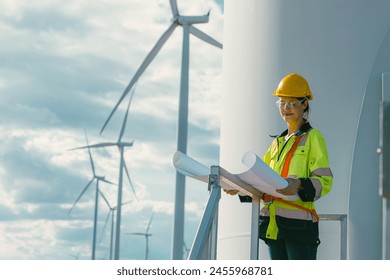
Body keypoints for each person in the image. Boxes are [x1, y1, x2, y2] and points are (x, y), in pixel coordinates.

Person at [224, 73, 333, 260]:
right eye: (282, 104)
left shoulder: (313, 137)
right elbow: (261, 179)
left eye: (291, 104)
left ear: (304, 104)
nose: (286, 109)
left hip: (299, 228)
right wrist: (240, 188)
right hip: (273, 227)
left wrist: (298, 183)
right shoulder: (277, 143)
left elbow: (325, 181)